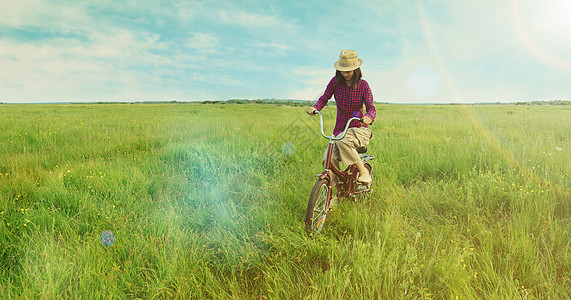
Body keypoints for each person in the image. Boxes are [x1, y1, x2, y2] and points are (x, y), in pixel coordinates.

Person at [307, 49, 376, 192]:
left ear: (356, 70)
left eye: (348, 71)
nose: (345, 74)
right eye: (342, 70)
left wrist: (369, 117)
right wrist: (315, 108)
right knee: (328, 159)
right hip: (340, 129)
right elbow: (324, 98)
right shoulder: (335, 82)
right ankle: (337, 192)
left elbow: (371, 107)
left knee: (343, 140)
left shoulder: (363, 85)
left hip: (358, 128)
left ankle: (363, 171)